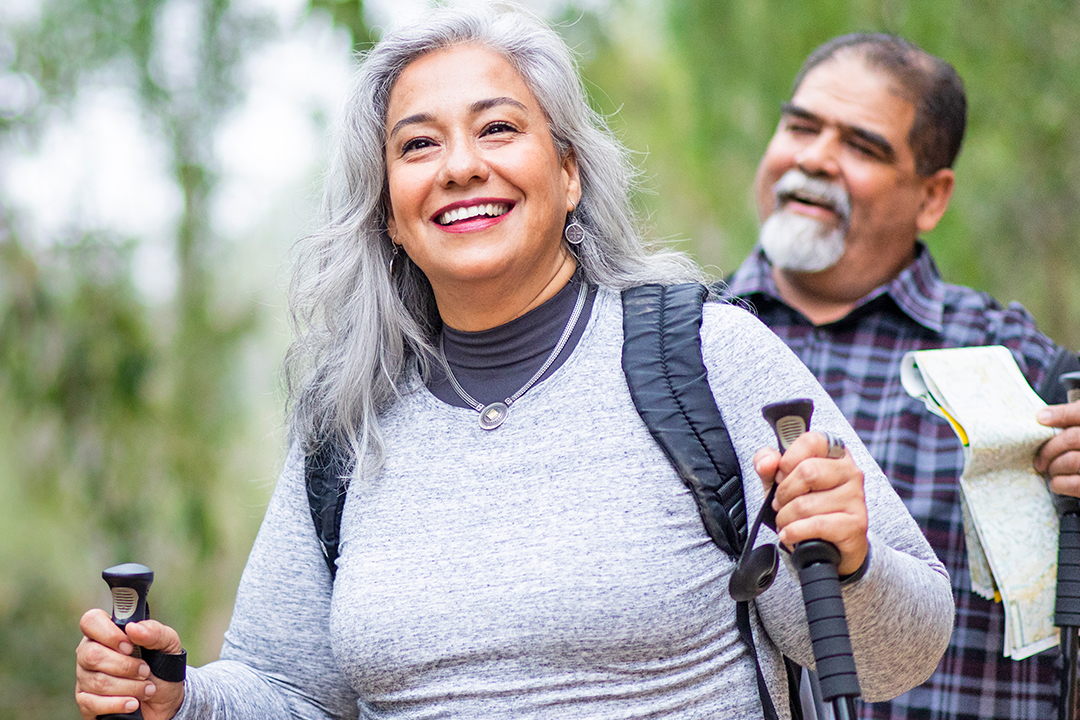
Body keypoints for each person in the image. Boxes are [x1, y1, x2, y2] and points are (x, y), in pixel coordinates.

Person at [75, 9, 953, 720]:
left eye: (498, 128)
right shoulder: (349, 418)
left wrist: (848, 564)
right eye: (418, 146)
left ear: (568, 173)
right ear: (389, 210)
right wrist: (176, 697)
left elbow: (896, 657)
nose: (461, 166)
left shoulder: (702, 354)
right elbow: (293, 692)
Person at [724, 33, 1080, 720]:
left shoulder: (1028, 374)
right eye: (799, 125)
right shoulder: (678, 353)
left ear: (932, 197)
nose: (813, 158)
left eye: (861, 146)